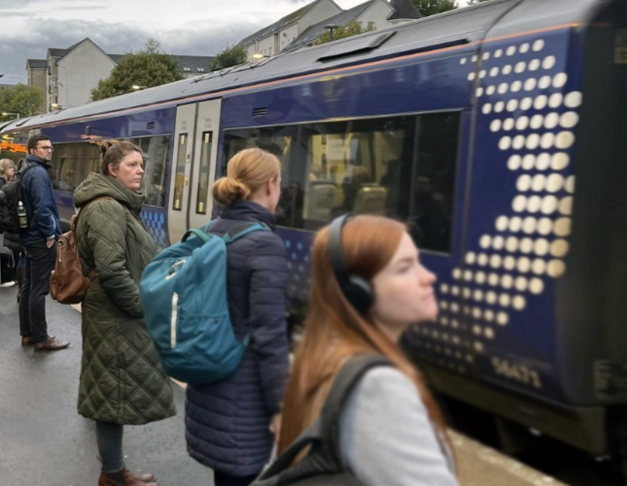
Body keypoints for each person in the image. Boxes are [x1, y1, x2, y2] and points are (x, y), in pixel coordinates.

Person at [276, 215, 457, 486]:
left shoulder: (321, 358)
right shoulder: (378, 387)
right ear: (358, 292)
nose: (428, 277)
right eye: (405, 267)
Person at [185, 148, 290, 486]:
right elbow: (270, 334)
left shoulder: (211, 230)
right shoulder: (264, 244)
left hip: (209, 376)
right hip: (243, 392)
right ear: (271, 185)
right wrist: (282, 404)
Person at [74, 140, 175, 486]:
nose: (141, 170)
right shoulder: (107, 209)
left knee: (110, 394)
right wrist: (141, 305)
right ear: (112, 169)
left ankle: (114, 472)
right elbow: (113, 269)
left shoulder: (117, 205)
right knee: (110, 395)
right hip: (114, 317)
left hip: (111, 315)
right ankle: (114, 475)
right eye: (132, 164)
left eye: (141, 164)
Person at [17, 135, 68, 351]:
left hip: (30, 236)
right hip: (40, 239)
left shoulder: (26, 170)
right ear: (32, 150)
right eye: (45, 148)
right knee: (38, 289)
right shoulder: (38, 173)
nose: (50, 151)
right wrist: (50, 235)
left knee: (29, 286)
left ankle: (27, 333)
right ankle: (41, 337)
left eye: (51, 147)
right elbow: (43, 207)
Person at [0, 158, 22, 287]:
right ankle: (2, 278)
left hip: (5, 223)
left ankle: (9, 276)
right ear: (3, 169)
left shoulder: (7, 182)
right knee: (1, 250)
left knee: (8, 250)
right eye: (10, 168)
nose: (13, 170)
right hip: (0, 224)